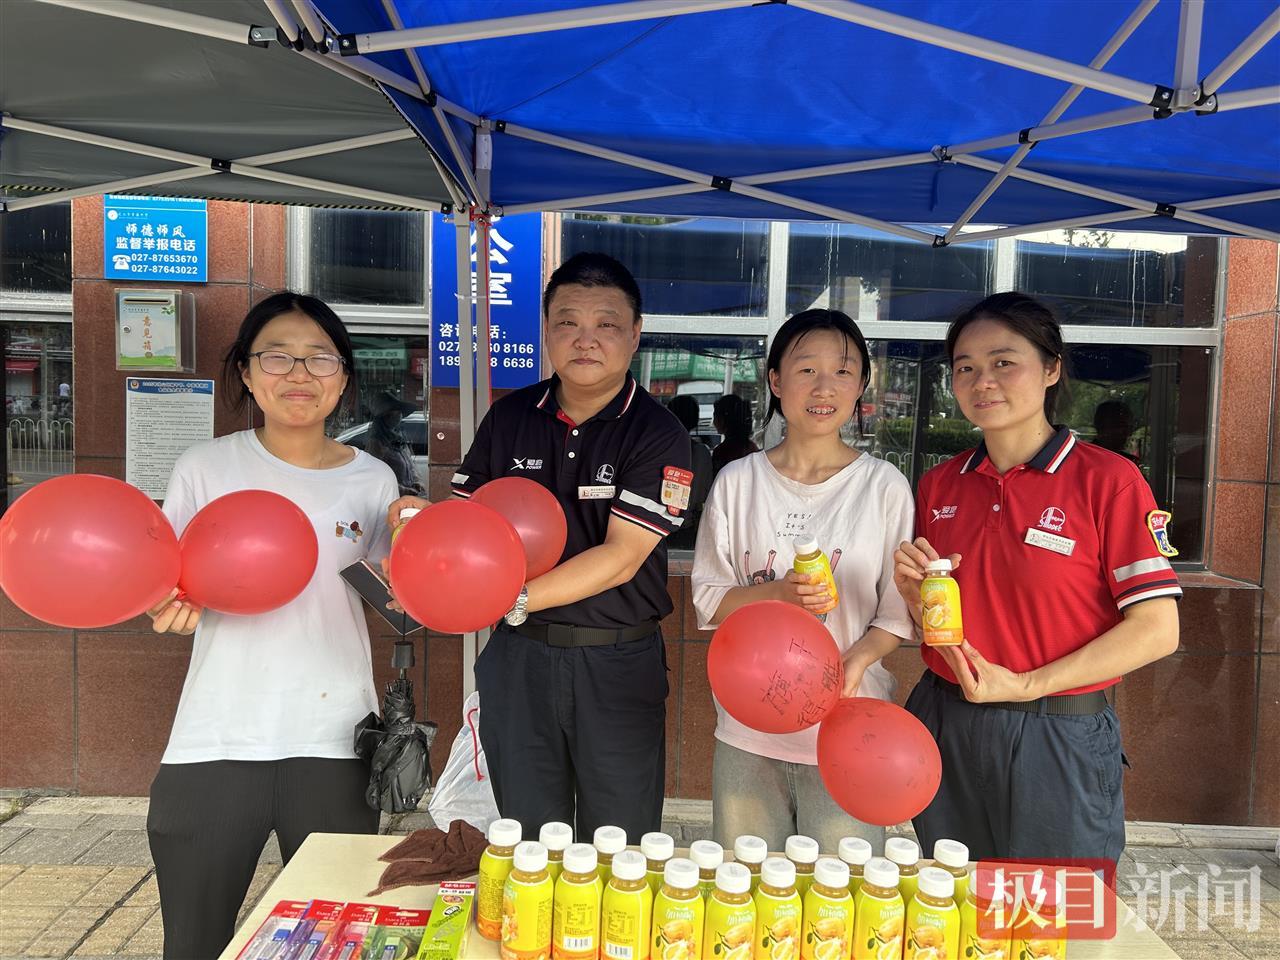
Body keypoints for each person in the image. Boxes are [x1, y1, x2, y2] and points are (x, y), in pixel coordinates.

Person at [388, 252, 692, 840]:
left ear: (635, 335)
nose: (586, 339)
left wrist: (513, 598)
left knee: (618, 841)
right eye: (567, 322)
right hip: (519, 658)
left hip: (615, 661)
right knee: (526, 833)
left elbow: (622, 557)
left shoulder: (658, 432)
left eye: (606, 324)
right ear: (546, 331)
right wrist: (417, 531)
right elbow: (469, 524)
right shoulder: (510, 418)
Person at [145, 292, 399, 959]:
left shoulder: (373, 480)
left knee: (330, 942)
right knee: (194, 943)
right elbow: (160, 580)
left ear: (343, 377)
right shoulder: (205, 468)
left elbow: (393, 602)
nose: (299, 374)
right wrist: (163, 603)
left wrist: (422, 551)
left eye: (320, 358)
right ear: (248, 373)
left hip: (336, 742)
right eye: (278, 356)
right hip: (215, 738)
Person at [894, 292, 1180, 865]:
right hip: (946, 719)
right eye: (965, 368)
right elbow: (941, 619)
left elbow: (1157, 628)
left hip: (1056, 732)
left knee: (1056, 910)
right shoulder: (940, 485)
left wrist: (1026, 684)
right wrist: (914, 598)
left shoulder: (1109, 481)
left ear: (1051, 369)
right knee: (956, 902)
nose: (983, 382)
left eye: (1004, 362)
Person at [692, 309, 915, 852]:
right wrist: (778, 593)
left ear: (861, 385)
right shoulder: (738, 481)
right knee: (744, 888)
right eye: (806, 369)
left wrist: (853, 664)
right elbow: (708, 599)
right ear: (775, 380)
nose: (824, 387)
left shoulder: (883, 487)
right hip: (749, 729)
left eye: (843, 371)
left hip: (849, 729)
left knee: (843, 893)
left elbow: (895, 615)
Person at [667, 394, 712, 548]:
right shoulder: (702, 453)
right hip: (689, 529)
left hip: (658, 526)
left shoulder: (659, 451)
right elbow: (705, 493)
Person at [367, 388, 425, 496]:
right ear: (385, 416)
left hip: (407, 498)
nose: (399, 414)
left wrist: (417, 482)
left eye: (399, 411)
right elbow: (375, 478)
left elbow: (412, 467)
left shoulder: (399, 440)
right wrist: (403, 490)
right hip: (390, 499)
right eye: (395, 411)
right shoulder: (376, 444)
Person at [711, 393, 758, 476]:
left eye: (715, 416)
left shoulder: (721, 452)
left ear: (722, 420)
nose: (713, 422)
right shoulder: (752, 447)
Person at [1093, 398, 1140, 464]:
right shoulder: (1086, 458)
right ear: (1102, 426)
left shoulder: (1129, 461)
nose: (1128, 433)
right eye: (1121, 426)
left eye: (1129, 427)